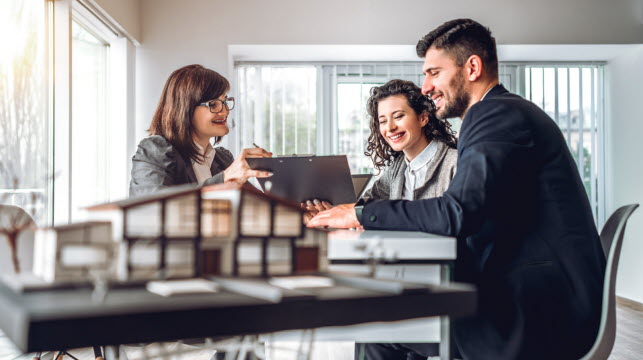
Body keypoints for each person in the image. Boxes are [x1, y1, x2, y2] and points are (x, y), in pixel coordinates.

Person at [308, 19, 605, 360]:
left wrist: (359, 213)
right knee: (388, 318)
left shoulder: (494, 115)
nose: (426, 86)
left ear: (472, 67)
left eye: (434, 72)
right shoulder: (505, 113)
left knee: (380, 327)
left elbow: (457, 212)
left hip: (541, 313)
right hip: (543, 298)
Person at [303, 79, 458, 224]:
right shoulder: (397, 169)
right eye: (383, 121)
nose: (390, 128)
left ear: (423, 118)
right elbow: (366, 206)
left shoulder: (454, 163)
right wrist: (330, 211)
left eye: (398, 116)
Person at [130, 64, 272, 197]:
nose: (225, 111)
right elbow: (154, 208)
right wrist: (224, 179)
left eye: (224, 102)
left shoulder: (222, 159)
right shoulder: (154, 151)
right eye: (213, 104)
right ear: (185, 108)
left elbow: (261, 206)